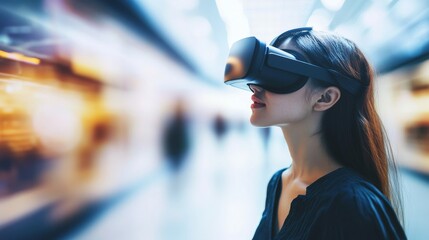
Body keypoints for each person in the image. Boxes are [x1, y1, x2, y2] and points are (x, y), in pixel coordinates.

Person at [225, 28, 407, 239]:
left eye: (278, 74)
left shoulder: (354, 205)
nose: (255, 86)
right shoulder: (278, 183)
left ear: (325, 98)